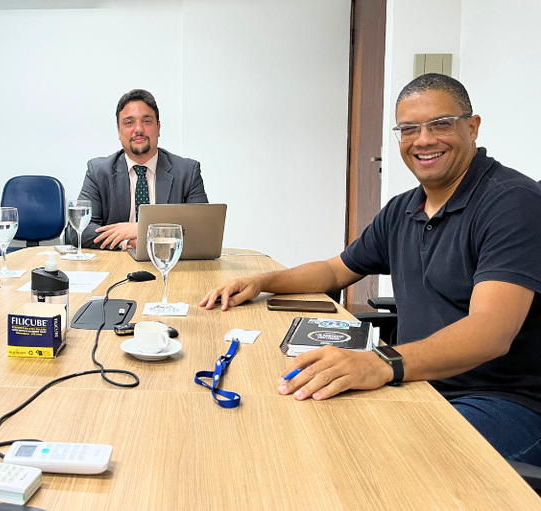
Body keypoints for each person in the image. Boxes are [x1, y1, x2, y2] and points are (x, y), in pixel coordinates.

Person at [200, 74, 541, 465]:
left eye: (440, 124)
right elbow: (335, 270)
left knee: (373, 458)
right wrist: (261, 282)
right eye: (409, 129)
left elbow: (490, 333)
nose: (424, 140)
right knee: (303, 420)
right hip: (416, 383)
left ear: (473, 126)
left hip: (503, 403)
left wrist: (382, 362)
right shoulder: (402, 208)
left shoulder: (513, 203)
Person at [68, 89, 208, 250]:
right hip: (115, 264)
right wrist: (128, 242)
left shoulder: (187, 171)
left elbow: (202, 229)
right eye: (129, 123)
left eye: (147, 121)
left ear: (158, 127)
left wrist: (140, 228)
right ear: (119, 131)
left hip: (170, 263)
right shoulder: (99, 171)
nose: (138, 129)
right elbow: (76, 230)